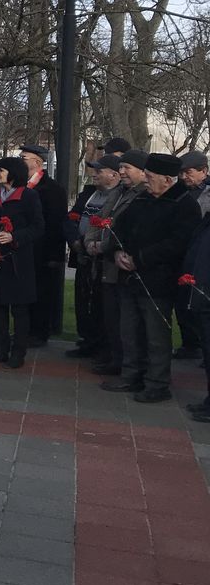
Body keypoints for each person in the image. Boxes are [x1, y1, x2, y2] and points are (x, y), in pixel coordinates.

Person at [101, 153, 200, 404]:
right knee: (129, 329)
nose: (145, 179)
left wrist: (141, 258)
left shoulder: (184, 204)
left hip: (159, 280)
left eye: (150, 176)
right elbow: (119, 226)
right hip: (129, 277)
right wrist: (118, 252)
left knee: (156, 334)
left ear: (167, 179)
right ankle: (131, 373)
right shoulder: (143, 198)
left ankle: (157, 382)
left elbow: (179, 243)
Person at [0, 157, 43, 370]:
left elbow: (38, 227)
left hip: (18, 262)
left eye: (1, 170)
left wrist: (15, 237)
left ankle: (18, 351)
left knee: (20, 310)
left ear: (13, 173)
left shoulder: (29, 196)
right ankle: (0, 348)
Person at [85, 149, 148, 376]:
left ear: (142, 171)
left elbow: (125, 229)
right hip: (104, 263)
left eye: (126, 168)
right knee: (110, 315)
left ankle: (126, 363)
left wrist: (105, 247)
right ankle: (114, 357)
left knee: (125, 319)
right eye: (120, 168)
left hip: (120, 264)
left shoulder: (142, 195)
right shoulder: (118, 192)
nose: (122, 172)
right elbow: (99, 218)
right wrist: (90, 241)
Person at [64, 154, 121, 358]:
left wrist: (97, 245)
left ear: (114, 175)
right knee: (82, 298)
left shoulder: (119, 196)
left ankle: (102, 344)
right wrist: (75, 241)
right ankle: (87, 339)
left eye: (99, 171)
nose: (94, 175)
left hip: (102, 258)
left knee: (100, 302)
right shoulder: (87, 193)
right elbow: (71, 218)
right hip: (83, 254)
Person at [20, 144, 68, 346]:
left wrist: (54, 255)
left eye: (24, 158)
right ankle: (26, 329)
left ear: (37, 163)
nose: (20, 161)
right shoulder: (20, 185)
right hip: (24, 248)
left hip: (43, 251)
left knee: (42, 292)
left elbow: (57, 223)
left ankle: (40, 332)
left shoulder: (51, 189)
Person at [175, 150, 210, 361]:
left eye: (189, 172)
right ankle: (189, 343)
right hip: (182, 250)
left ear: (203, 171)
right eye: (182, 173)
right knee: (182, 303)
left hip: (201, 252)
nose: (184, 177)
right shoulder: (181, 191)